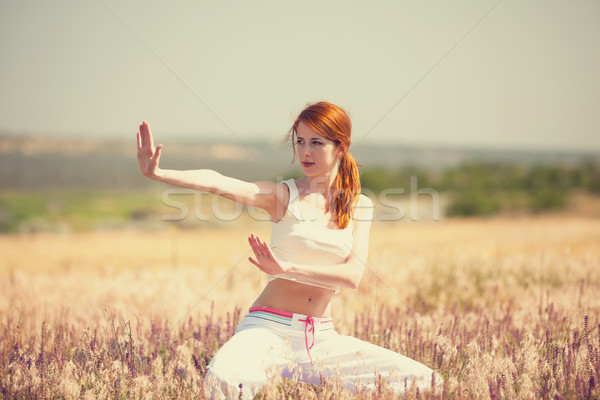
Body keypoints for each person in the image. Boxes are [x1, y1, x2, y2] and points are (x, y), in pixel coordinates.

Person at [136, 101, 442, 399]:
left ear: (341, 146)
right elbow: (218, 182)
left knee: (426, 382)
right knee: (224, 382)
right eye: (300, 142)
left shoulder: (360, 206)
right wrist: (159, 174)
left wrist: (287, 269)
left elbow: (352, 277)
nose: (305, 152)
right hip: (267, 329)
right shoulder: (283, 196)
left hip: (319, 337)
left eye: (316, 143)